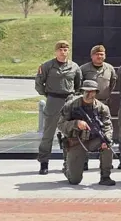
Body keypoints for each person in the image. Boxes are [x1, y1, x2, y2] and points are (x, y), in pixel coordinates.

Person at [35, 40, 82, 175]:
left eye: (65, 50)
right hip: (53, 101)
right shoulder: (47, 66)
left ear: (68, 51)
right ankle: (44, 162)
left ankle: (68, 162)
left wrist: (72, 97)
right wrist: (48, 95)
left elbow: (78, 84)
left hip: (69, 101)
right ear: (56, 52)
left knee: (69, 133)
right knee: (48, 134)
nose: (63, 52)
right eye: (60, 50)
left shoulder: (74, 67)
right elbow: (39, 84)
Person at [56, 80, 114, 186]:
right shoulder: (71, 105)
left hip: (93, 140)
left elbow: (108, 126)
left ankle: (105, 177)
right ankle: (67, 167)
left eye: (92, 92)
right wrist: (76, 123)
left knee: (108, 145)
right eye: (87, 91)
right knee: (74, 180)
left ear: (96, 93)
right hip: (76, 141)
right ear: (82, 91)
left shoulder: (102, 108)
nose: (89, 94)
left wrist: (107, 138)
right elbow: (60, 125)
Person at [79, 44, 117, 170]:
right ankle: (83, 161)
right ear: (92, 56)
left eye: (101, 54)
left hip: (103, 104)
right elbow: (78, 85)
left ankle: (105, 161)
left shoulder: (110, 69)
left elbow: (112, 83)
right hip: (88, 104)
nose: (99, 56)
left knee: (104, 131)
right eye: (97, 54)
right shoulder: (84, 69)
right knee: (86, 132)